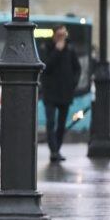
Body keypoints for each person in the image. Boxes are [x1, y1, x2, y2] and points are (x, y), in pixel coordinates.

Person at [41, 25, 81, 163]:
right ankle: (53, 150)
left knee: (61, 124)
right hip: (50, 93)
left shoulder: (70, 49)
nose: (62, 38)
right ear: (54, 35)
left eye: (64, 35)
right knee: (50, 122)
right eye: (59, 35)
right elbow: (45, 67)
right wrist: (57, 51)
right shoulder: (47, 47)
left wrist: (73, 84)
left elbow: (77, 68)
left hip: (65, 93)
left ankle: (57, 149)